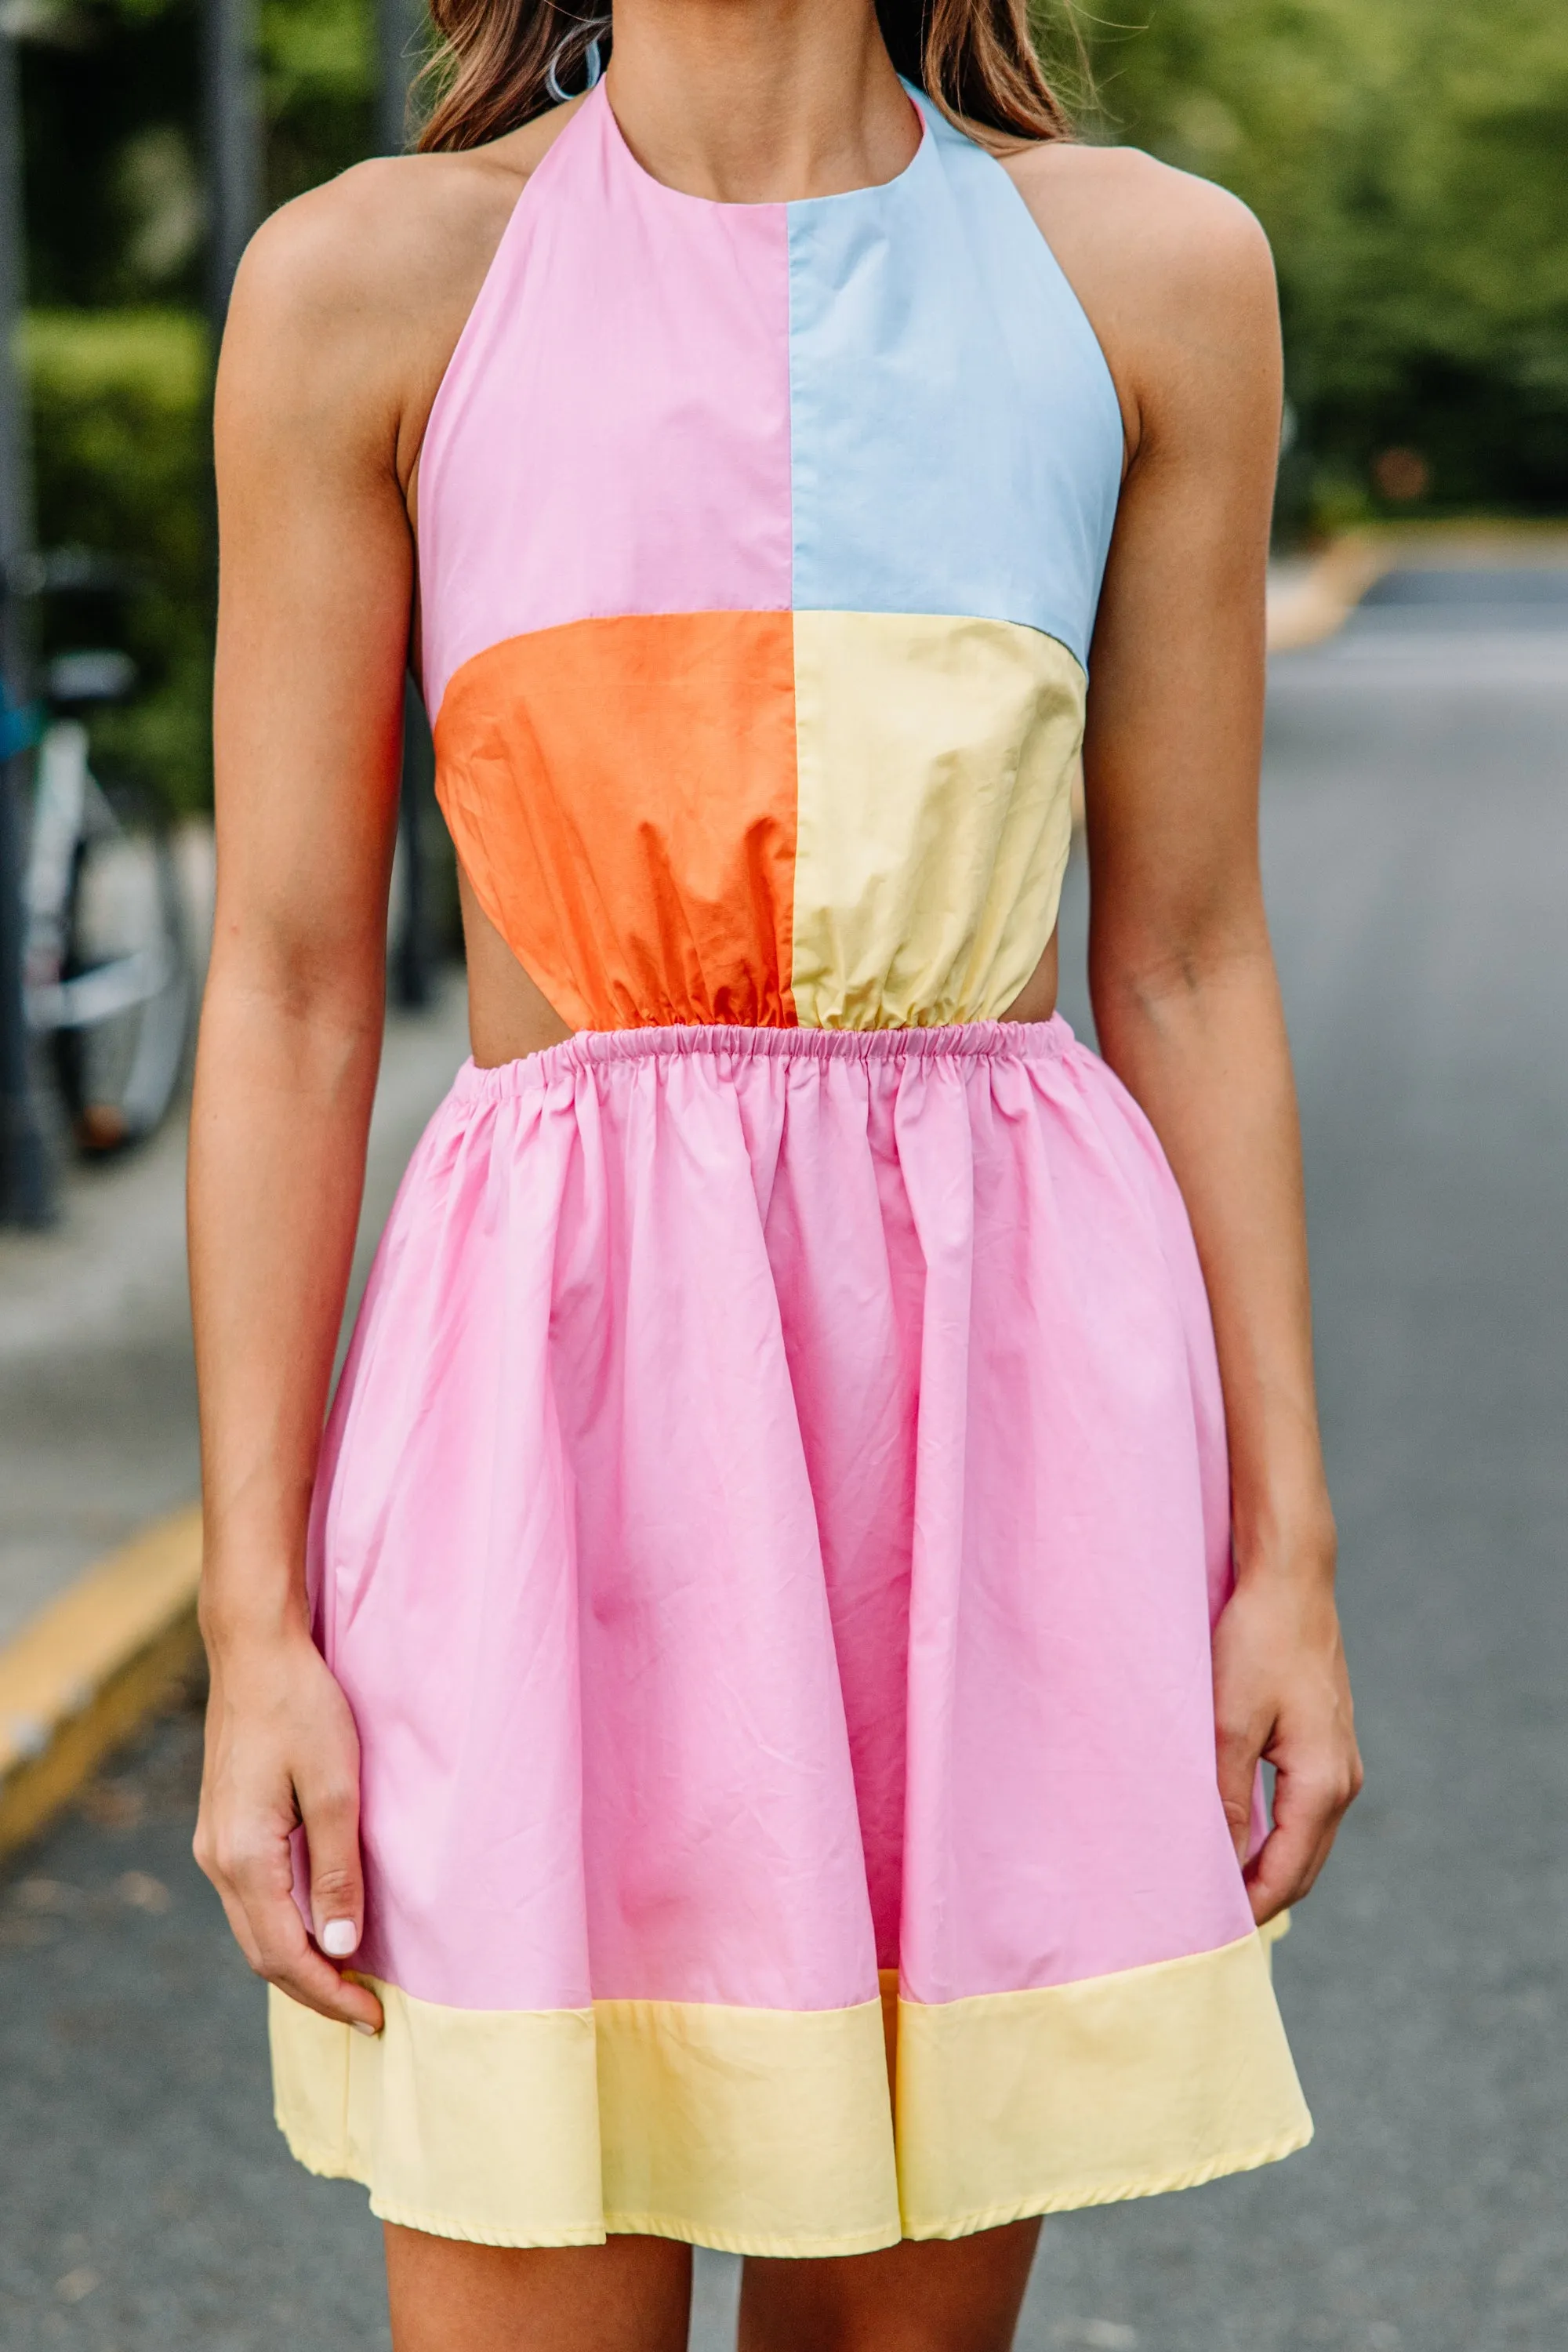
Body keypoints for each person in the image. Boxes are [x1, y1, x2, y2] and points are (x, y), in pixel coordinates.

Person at [187, 1, 1363, 2345]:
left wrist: (1286, 1562)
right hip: (552, 1421)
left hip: (990, 1449)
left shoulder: (1152, 276)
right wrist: (252, 1629)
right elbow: (295, 990)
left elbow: (1197, 960)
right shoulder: (369, 281)